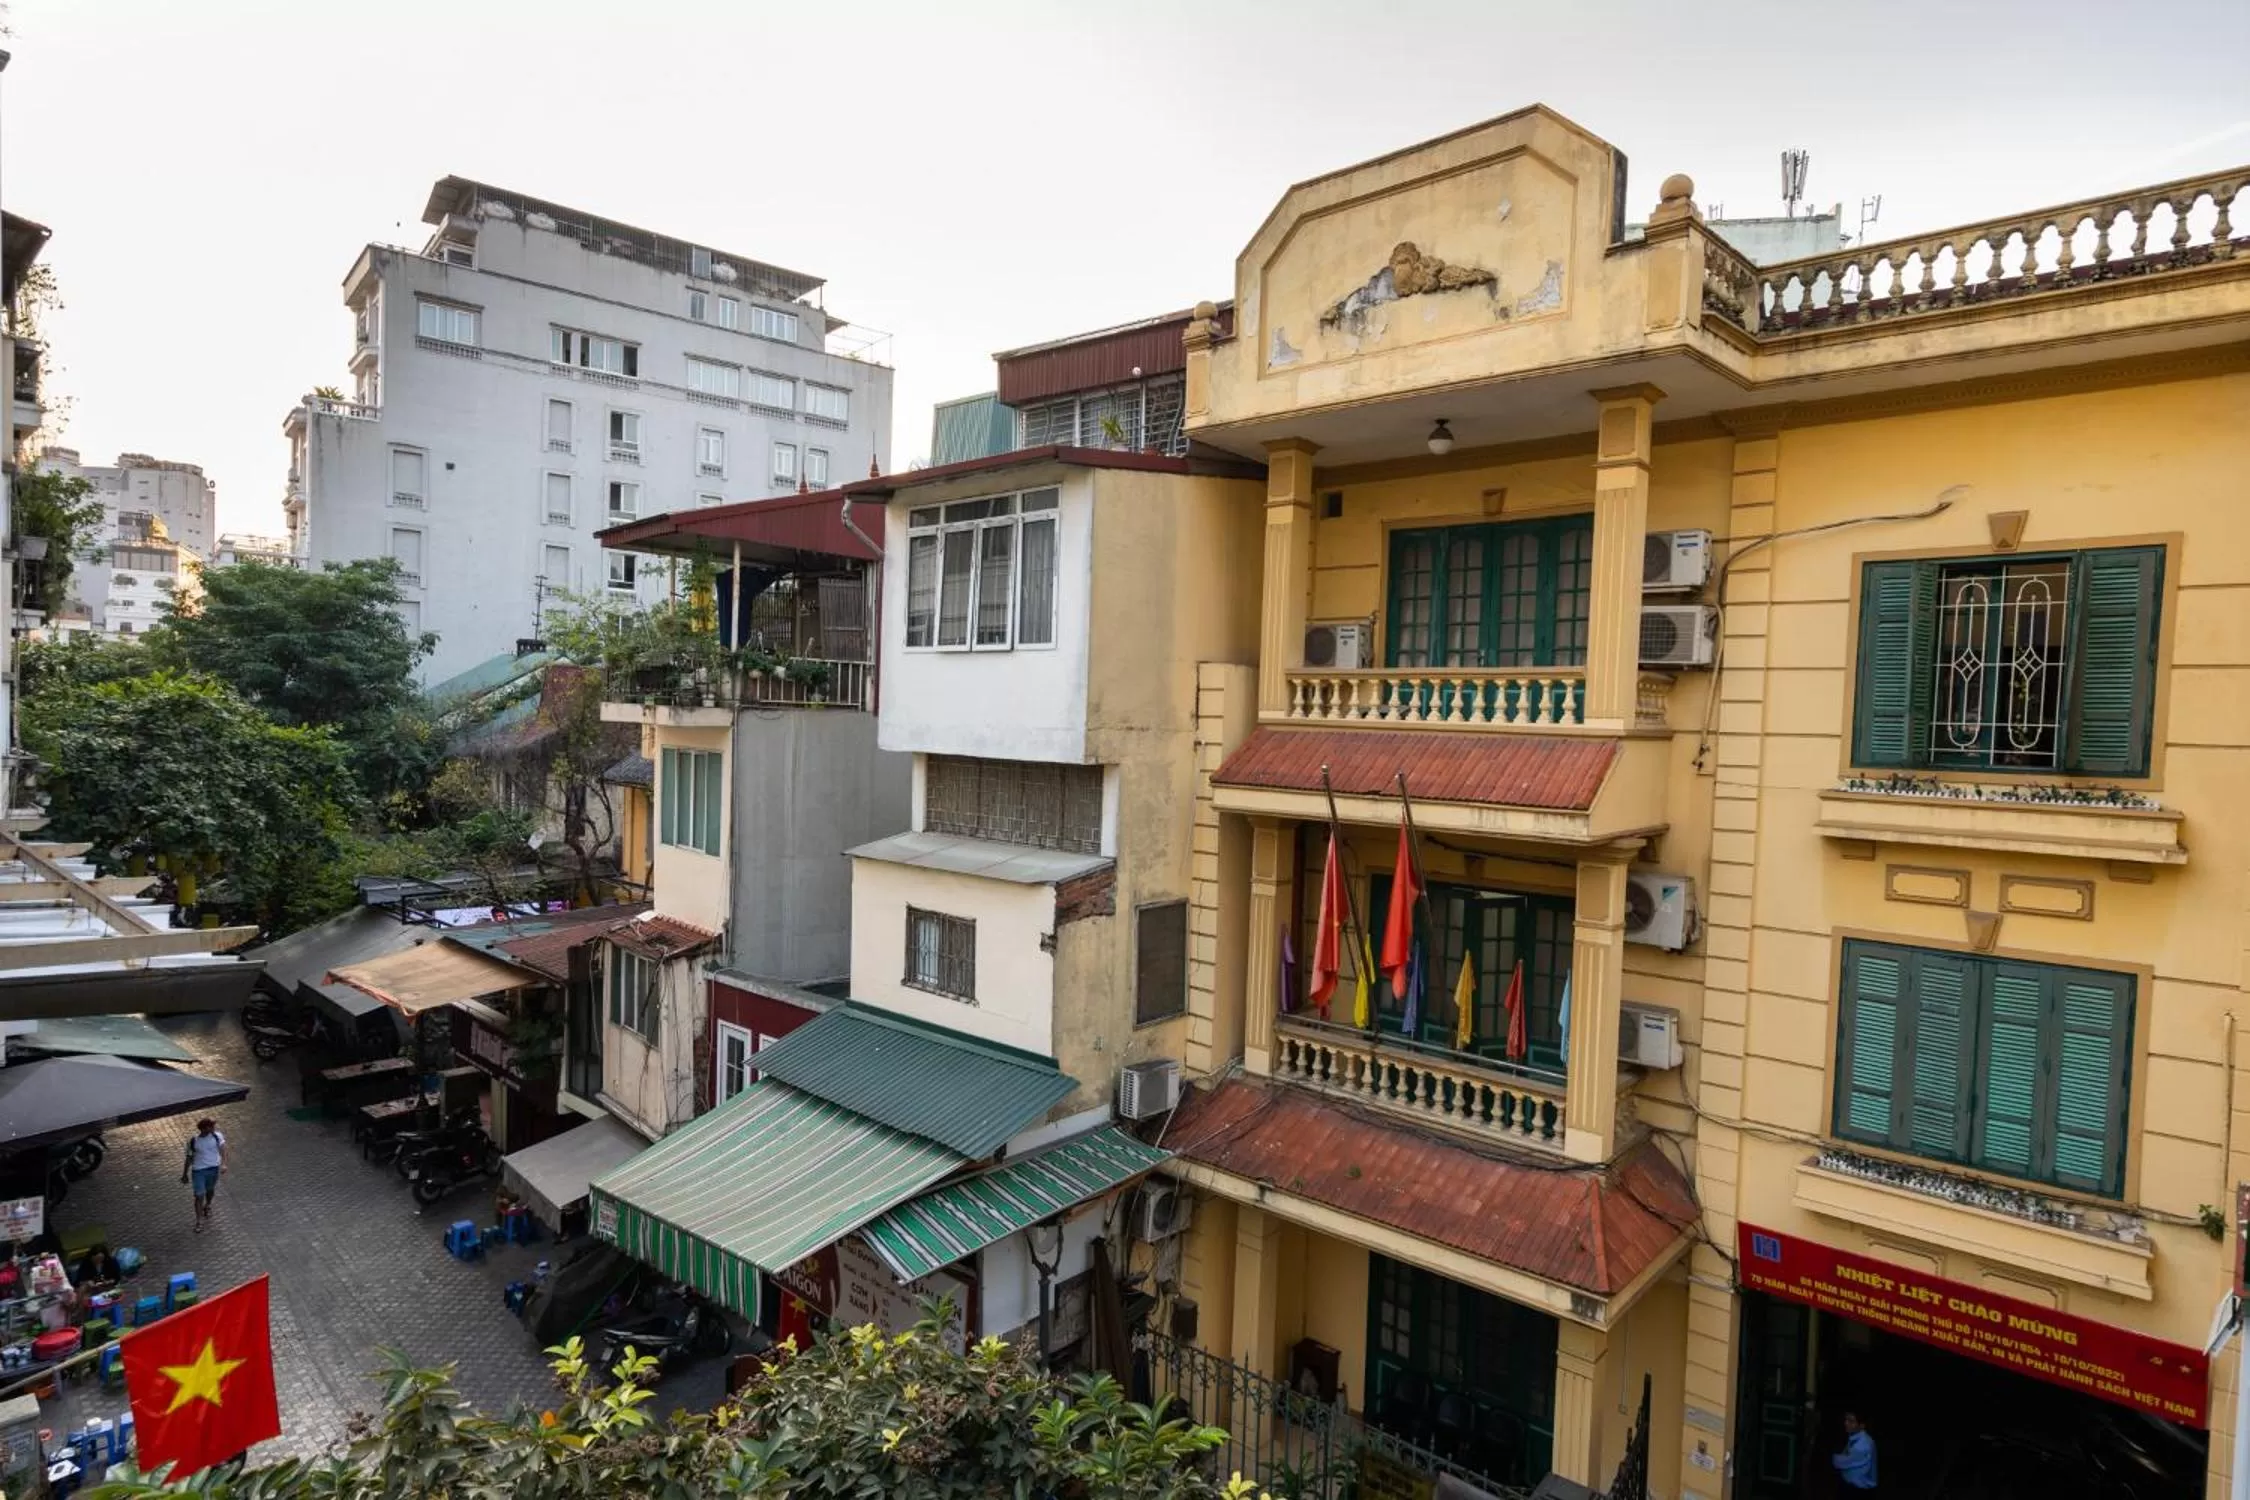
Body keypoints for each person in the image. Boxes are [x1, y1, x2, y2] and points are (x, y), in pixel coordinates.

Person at [181, 1118, 227, 1231]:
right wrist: (185, 1174)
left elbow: (223, 1150)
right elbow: (189, 1158)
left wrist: (224, 1164)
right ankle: (199, 1221)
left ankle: (208, 1205)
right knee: (199, 1195)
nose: (213, 1128)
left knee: (210, 1190)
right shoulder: (193, 1141)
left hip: (213, 1169)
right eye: (211, 1126)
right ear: (204, 1128)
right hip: (198, 1171)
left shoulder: (217, 1136)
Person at [1832, 1410, 1878, 1494]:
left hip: (1859, 1490)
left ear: (1862, 1425)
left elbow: (1837, 1462)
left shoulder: (1863, 1445)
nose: (1846, 1423)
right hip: (1850, 1485)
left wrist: (1836, 1457)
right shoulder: (1855, 1436)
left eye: (1851, 1421)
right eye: (1846, 1419)